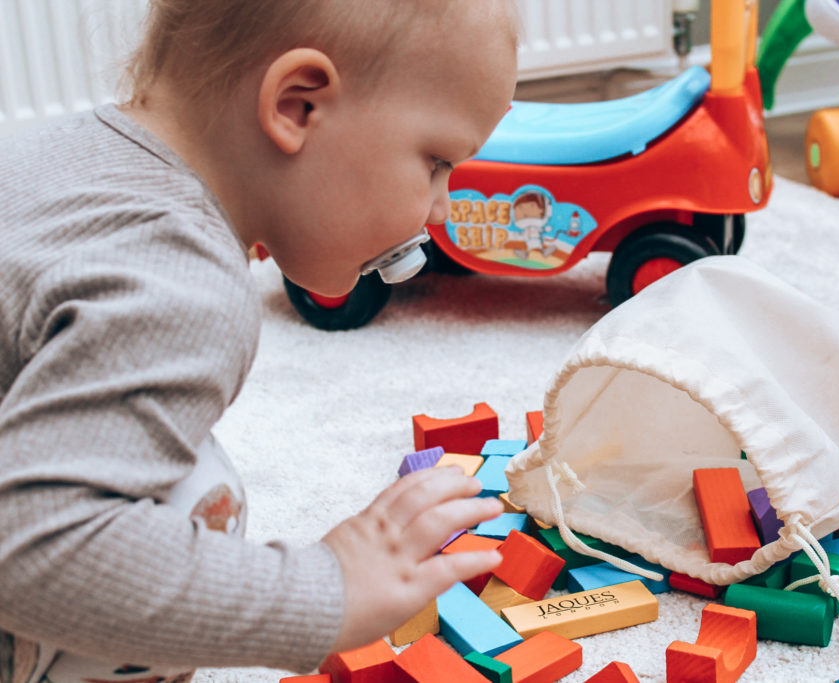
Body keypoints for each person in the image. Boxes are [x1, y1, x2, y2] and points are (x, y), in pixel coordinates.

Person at [0, 0, 519, 681]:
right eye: (435, 163)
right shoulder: (180, 283)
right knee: (196, 496)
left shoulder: (55, 152)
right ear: (298, 107)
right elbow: (35, 544)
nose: (441, 206)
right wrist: (324, 592)